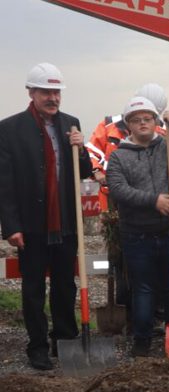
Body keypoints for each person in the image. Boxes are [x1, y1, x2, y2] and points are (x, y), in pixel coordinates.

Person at [0, 63, 93, 370]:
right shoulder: (10, 129)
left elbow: (86, 171)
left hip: (66, 222)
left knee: (65, 284)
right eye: (46, 92)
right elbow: (5, 182)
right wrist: (11, 226)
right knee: (33, 289)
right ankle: (37, 346)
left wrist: (81, 150)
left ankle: (64, 340)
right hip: (31, 225)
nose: (52, 98)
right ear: (32, 92)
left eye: (56, 92)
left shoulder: (71, 124)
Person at [107, 96, 169, 357]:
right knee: (143, 289)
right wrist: (153, 200)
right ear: (129, 126)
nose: (143, 123)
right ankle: (142, 340)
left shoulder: (167, 147)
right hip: (137, 235)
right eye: (136, 120)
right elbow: (118, 190)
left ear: (155, 121)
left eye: (147, 118)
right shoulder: (119, 157)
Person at [86, 83, 169, 319]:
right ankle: (131, 315)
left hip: (152, 210)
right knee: (121, 264)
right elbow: (92, 152)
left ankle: (156, 315)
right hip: (115, 209)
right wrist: (99, 173)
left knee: (156, 266)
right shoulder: (109, 126)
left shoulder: (161, 131)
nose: (144, 122)